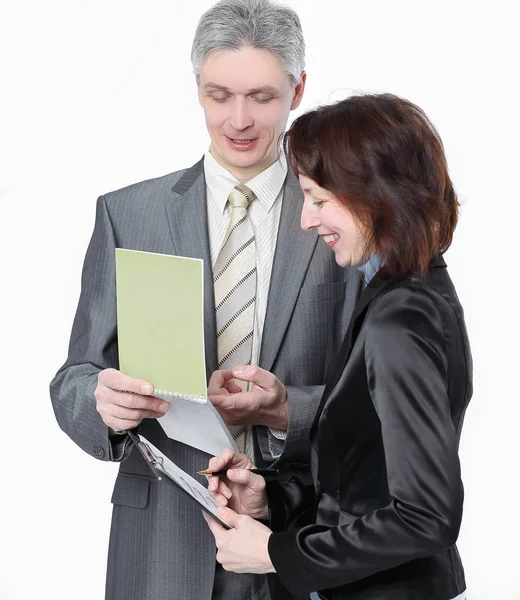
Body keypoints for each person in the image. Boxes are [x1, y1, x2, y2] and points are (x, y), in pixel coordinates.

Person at [49, 1, 360, 599]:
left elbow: (372, 397)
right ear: (196, 88)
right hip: (161, 540)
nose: (239, 119)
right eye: (219, 95)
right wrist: (98, 400)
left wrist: (282, 410)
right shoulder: (129, 215)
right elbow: (74, 376)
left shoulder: (341, 217)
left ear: (298, 90)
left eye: (262, 97)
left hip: (301, 531)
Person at [203, 93, 472, 600]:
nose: (306, 220)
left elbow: (426, 517)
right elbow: (366, 481)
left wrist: (276, 554)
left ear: (378, 194)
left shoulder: (402, 316)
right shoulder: (399, 295)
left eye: (320, 199)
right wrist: (271, 503)